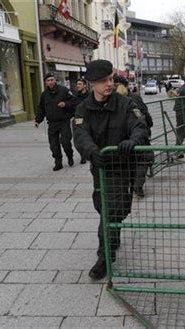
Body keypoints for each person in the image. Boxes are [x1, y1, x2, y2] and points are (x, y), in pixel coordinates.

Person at [72, 60, 149, 280]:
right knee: (106, 208)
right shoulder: (83, 108)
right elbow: (80, 134)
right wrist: (91, 151)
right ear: (92, 83)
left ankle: (107, 250)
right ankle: (108, 247)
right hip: (101, 167)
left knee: (114, 209)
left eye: (111, 79)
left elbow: (140, 125)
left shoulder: (125, 104)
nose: (109, 84)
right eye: (103, 80)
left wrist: (132, 141)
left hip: (123, 167)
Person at [114, 74, 154, 198]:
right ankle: (138, 185)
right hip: (139, 134)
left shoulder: (111, 99)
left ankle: (129, 186)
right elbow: (145, 114)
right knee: (143, 159)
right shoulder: (135, 98)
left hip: (122, 137)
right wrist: (149, 125)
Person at [34, 73, 76, 171]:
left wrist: (65, 104)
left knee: (65, 142)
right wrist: (37, 120)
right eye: (48, 80)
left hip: (64, 121)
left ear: (55, 80)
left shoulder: (64, 90)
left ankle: (70, 156)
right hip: (52, 123)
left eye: (52, 80)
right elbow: (41, 109)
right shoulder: (44, 95)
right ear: (45, 82)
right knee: (54, 145)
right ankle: (58, 162)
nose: (50, 82)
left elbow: (74, 101)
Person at [72, 78, 90, 164]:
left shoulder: (90, 95)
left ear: (85, 85)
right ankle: (83, 155)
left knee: (89, 137)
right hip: (78, 120)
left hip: (89, 119)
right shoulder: (75, 96)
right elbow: (72, 107)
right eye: (77, 84)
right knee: (80, 138)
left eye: (80, 84)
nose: (78, 86)